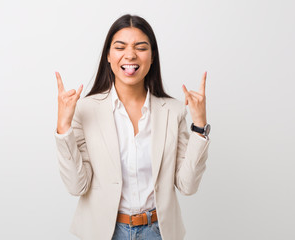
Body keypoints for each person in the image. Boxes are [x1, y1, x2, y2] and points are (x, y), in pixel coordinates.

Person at [54, 14, 211, 240]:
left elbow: (187, 186)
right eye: (120, 47)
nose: (130, 55)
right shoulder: (85, 109)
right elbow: (77, 186)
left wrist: (199, 125)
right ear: (108, 55)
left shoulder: (173, 111)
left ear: (152, 56)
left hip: (157, 232)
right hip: (104, 232)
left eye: (141, 47)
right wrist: (63, 127)